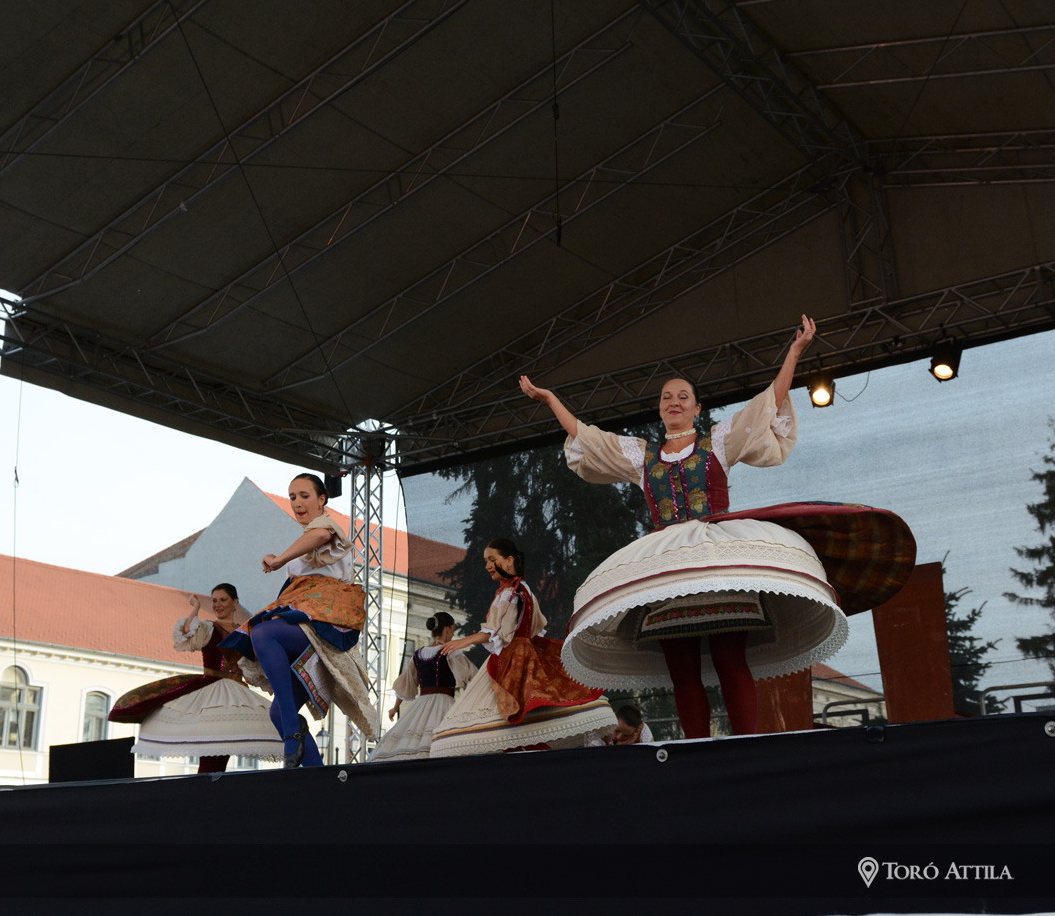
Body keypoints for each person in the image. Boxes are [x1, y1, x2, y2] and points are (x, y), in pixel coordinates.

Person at [521, 313, 915, 739]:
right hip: (668, 566)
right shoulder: (642, 456)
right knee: (681, 668)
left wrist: (795, 353)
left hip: (716, 558)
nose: (673, 402)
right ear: (659, 408)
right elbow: (588, 438)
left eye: (683, 396)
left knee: (730, 659)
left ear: (697, 408)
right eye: (666, 397)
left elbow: (766, 404)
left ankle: (746, 743)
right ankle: (697, 748)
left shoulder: (718, 442)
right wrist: (550, 400)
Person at [220, 474, 377, 767]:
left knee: (264, 633)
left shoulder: (327, 527)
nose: (297, 503)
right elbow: (308, 545)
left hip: (324, 627)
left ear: (322, 499)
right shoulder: (305, 540)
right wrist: (281, 558)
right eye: (292, 497)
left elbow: (319, 536)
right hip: (307, 626)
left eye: (305, 496)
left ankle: (293, 728)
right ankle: (317, 779)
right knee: (277, 713)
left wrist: (279, 559)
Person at [428, 539, 617, 757]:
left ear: (509, 561)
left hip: (513, 657)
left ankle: (523, 755)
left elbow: (497, 629)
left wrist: (465, 641)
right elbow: (535, 625)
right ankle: (529, 754)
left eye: (492, 560)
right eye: (486, 561)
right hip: (525, 651)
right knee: (524, 714)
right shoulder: (523, 589)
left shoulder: (510, 592)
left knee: (510, 714)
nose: (487, 566)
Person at [110, 584, 281, 773]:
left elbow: (254, 665)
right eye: (214, 600)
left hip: (236, 693)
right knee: (212, 749)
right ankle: (204, 785)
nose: (217, 605)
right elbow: (185, 631)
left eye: (223, 600)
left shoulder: (244, 632)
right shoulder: (208, 628)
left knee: (223, 749)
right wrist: (196, 608)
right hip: (213, 690)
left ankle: (209, 785)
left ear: (235, 602)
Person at [368, 612, 476, 762]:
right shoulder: (449, 651)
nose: (452, 634)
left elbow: (408, 683)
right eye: (452, 629)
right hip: (444, 703)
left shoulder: (418, 655)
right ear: (447, 629)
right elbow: (470, 676)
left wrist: (395, 707)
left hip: (421, 704)